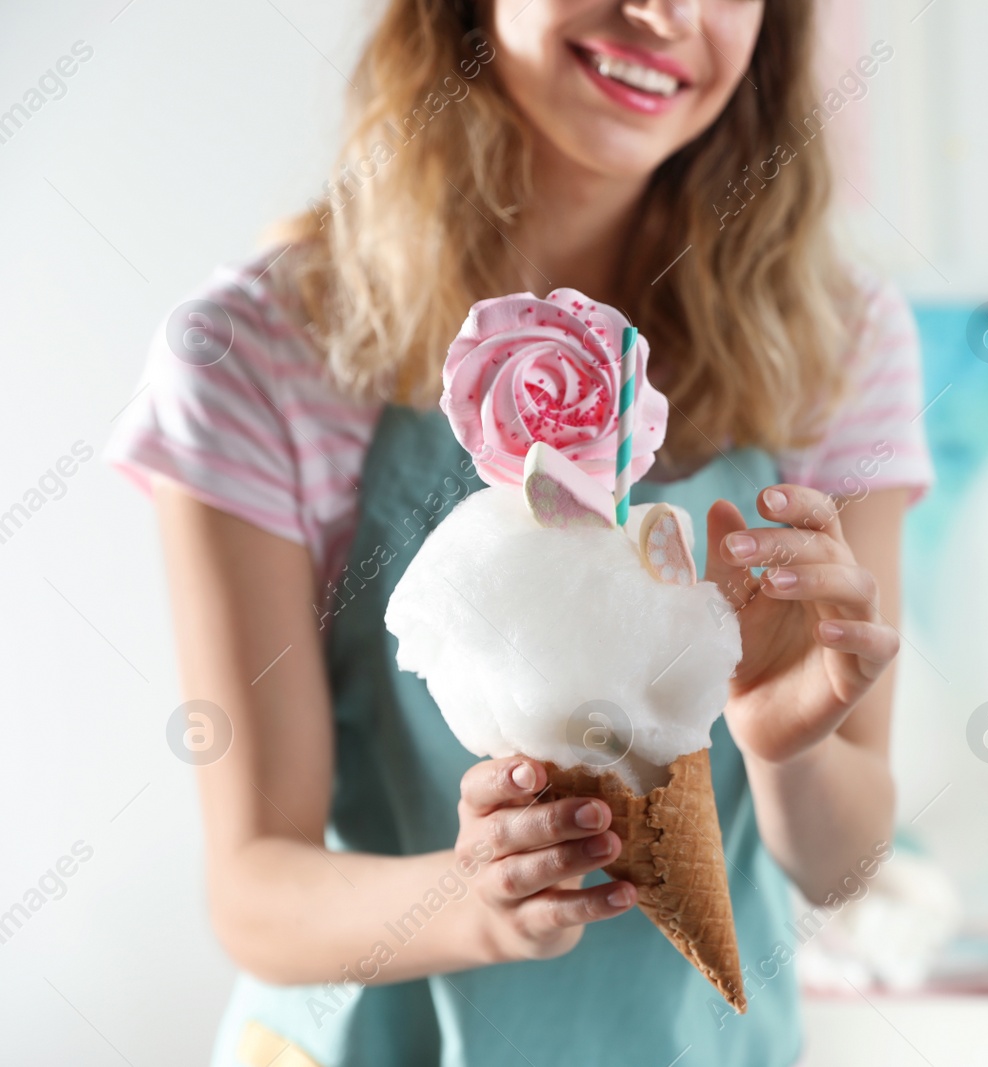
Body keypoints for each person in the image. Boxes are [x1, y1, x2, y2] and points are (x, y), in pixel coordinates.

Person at [108, 1, 931, 1063]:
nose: (664, 13)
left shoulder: (835, 340)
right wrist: (477, 899)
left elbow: (842, 867)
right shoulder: (259, 351)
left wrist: (787, 748)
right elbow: (254, 884)